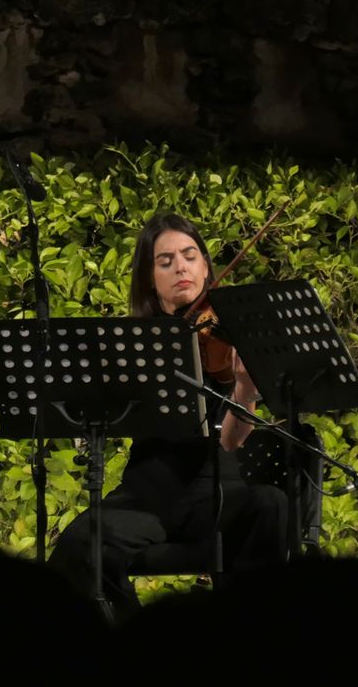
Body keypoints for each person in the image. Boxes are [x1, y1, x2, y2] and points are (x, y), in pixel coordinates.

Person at [46, 212, 291, 619]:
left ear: (206, 267)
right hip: (148, 493)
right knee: (80, 544)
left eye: (190, 256)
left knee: (270, 503)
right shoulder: (132, 342)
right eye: (165, 261)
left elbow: (231, 441)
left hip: (214, 490)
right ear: (150, 279)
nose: (180, 267)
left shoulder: (229, 333)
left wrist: (245, 390)